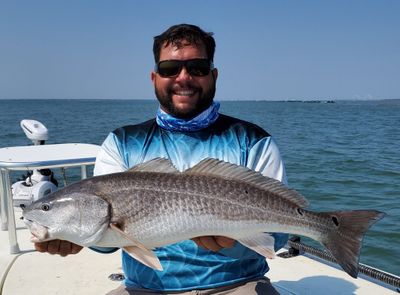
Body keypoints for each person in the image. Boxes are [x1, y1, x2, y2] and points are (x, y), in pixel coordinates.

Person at [35, 24, 288, 294]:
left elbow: (278, 235)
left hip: (238, 284)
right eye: (170, 69)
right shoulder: (122, 142)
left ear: (214, 75)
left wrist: (235, 243)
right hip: (147, 288)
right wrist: (76, 237)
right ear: (154, 77)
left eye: (197, 68)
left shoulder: (252, 140)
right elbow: (106, 240)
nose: (184, 77)